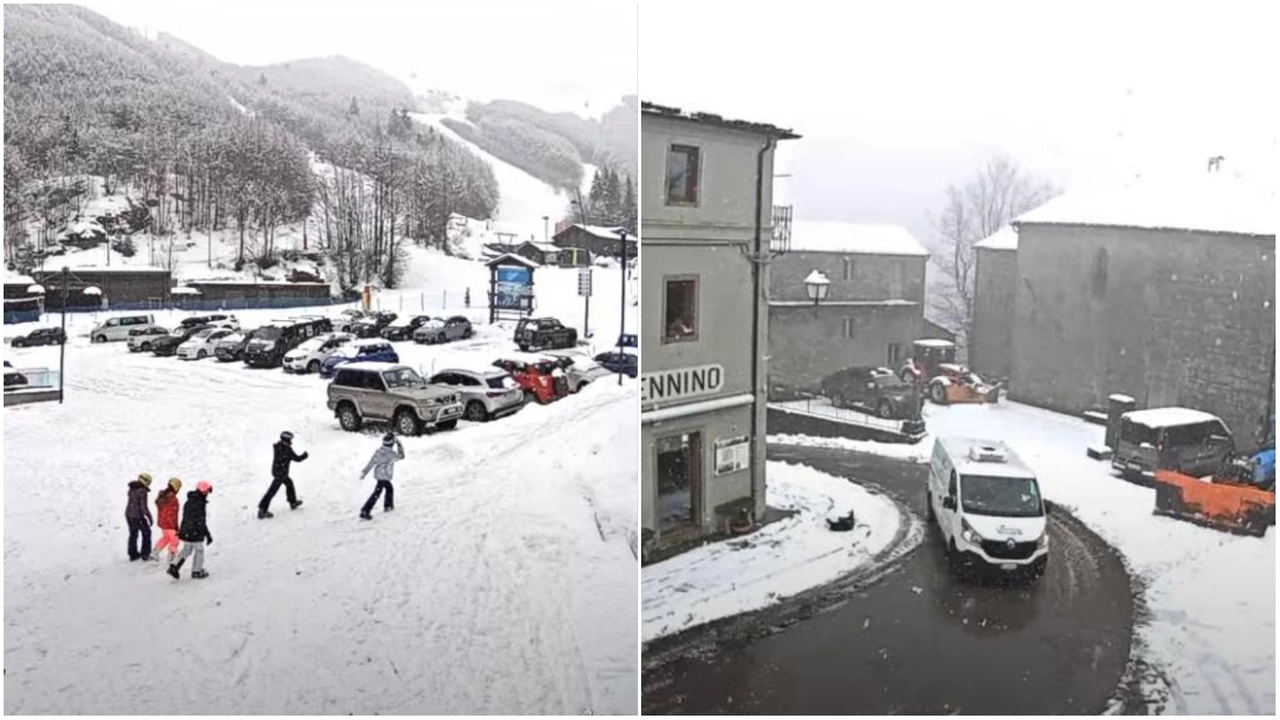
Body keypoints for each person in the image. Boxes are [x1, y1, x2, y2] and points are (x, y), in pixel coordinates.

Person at [168, 481, 213, 580]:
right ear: (203, 491)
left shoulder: (190, 500)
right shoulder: (200, 503)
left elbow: (187, 517)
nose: (207, 494)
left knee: (187, 549)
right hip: (195, 532)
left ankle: (174, 566)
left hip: (186, 530)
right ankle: (197, 571)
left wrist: (183, 530)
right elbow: (201, 521)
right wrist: (207, 534)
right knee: (199, 550)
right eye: (206, 492)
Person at [259, 431, 308, 519]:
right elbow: (297, 458)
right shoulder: (287, 450)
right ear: (287, 440)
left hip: (277, 472)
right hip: (281, 474)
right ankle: (262, 510)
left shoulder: (278, 446)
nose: (291, 442)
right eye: (290, 440)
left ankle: (293, 502)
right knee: (272, 491)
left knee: (289, 483)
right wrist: (304, 456)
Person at [359, 433, 404, 520]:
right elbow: (401, 456)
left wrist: (365, 472)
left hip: (379, 474)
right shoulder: (391, 454)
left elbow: (371, 462)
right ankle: (365, 510)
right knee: (377, 493)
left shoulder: (378, 452)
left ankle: (388, 506)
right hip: (385, 475)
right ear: (392, 444)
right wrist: (399, 445)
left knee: (389, 488)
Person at [125, 472, 154, 561]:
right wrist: (149, 517)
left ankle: (132, 554)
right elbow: (143, 506)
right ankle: (145, 554)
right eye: (149, 482)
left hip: (129, 514)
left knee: (133, 534)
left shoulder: (132, 488)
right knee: (147, 533)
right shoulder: (142, 491)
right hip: (138, 516)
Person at [152, 478, 182, 564]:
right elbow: (172, 514)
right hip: (170, 524)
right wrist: (175, 526)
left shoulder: (162, 495)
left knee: (166, 537)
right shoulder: (172, 499)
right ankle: (172, 556)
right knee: (175, 539)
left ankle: (155, 551)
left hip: (163, 522)